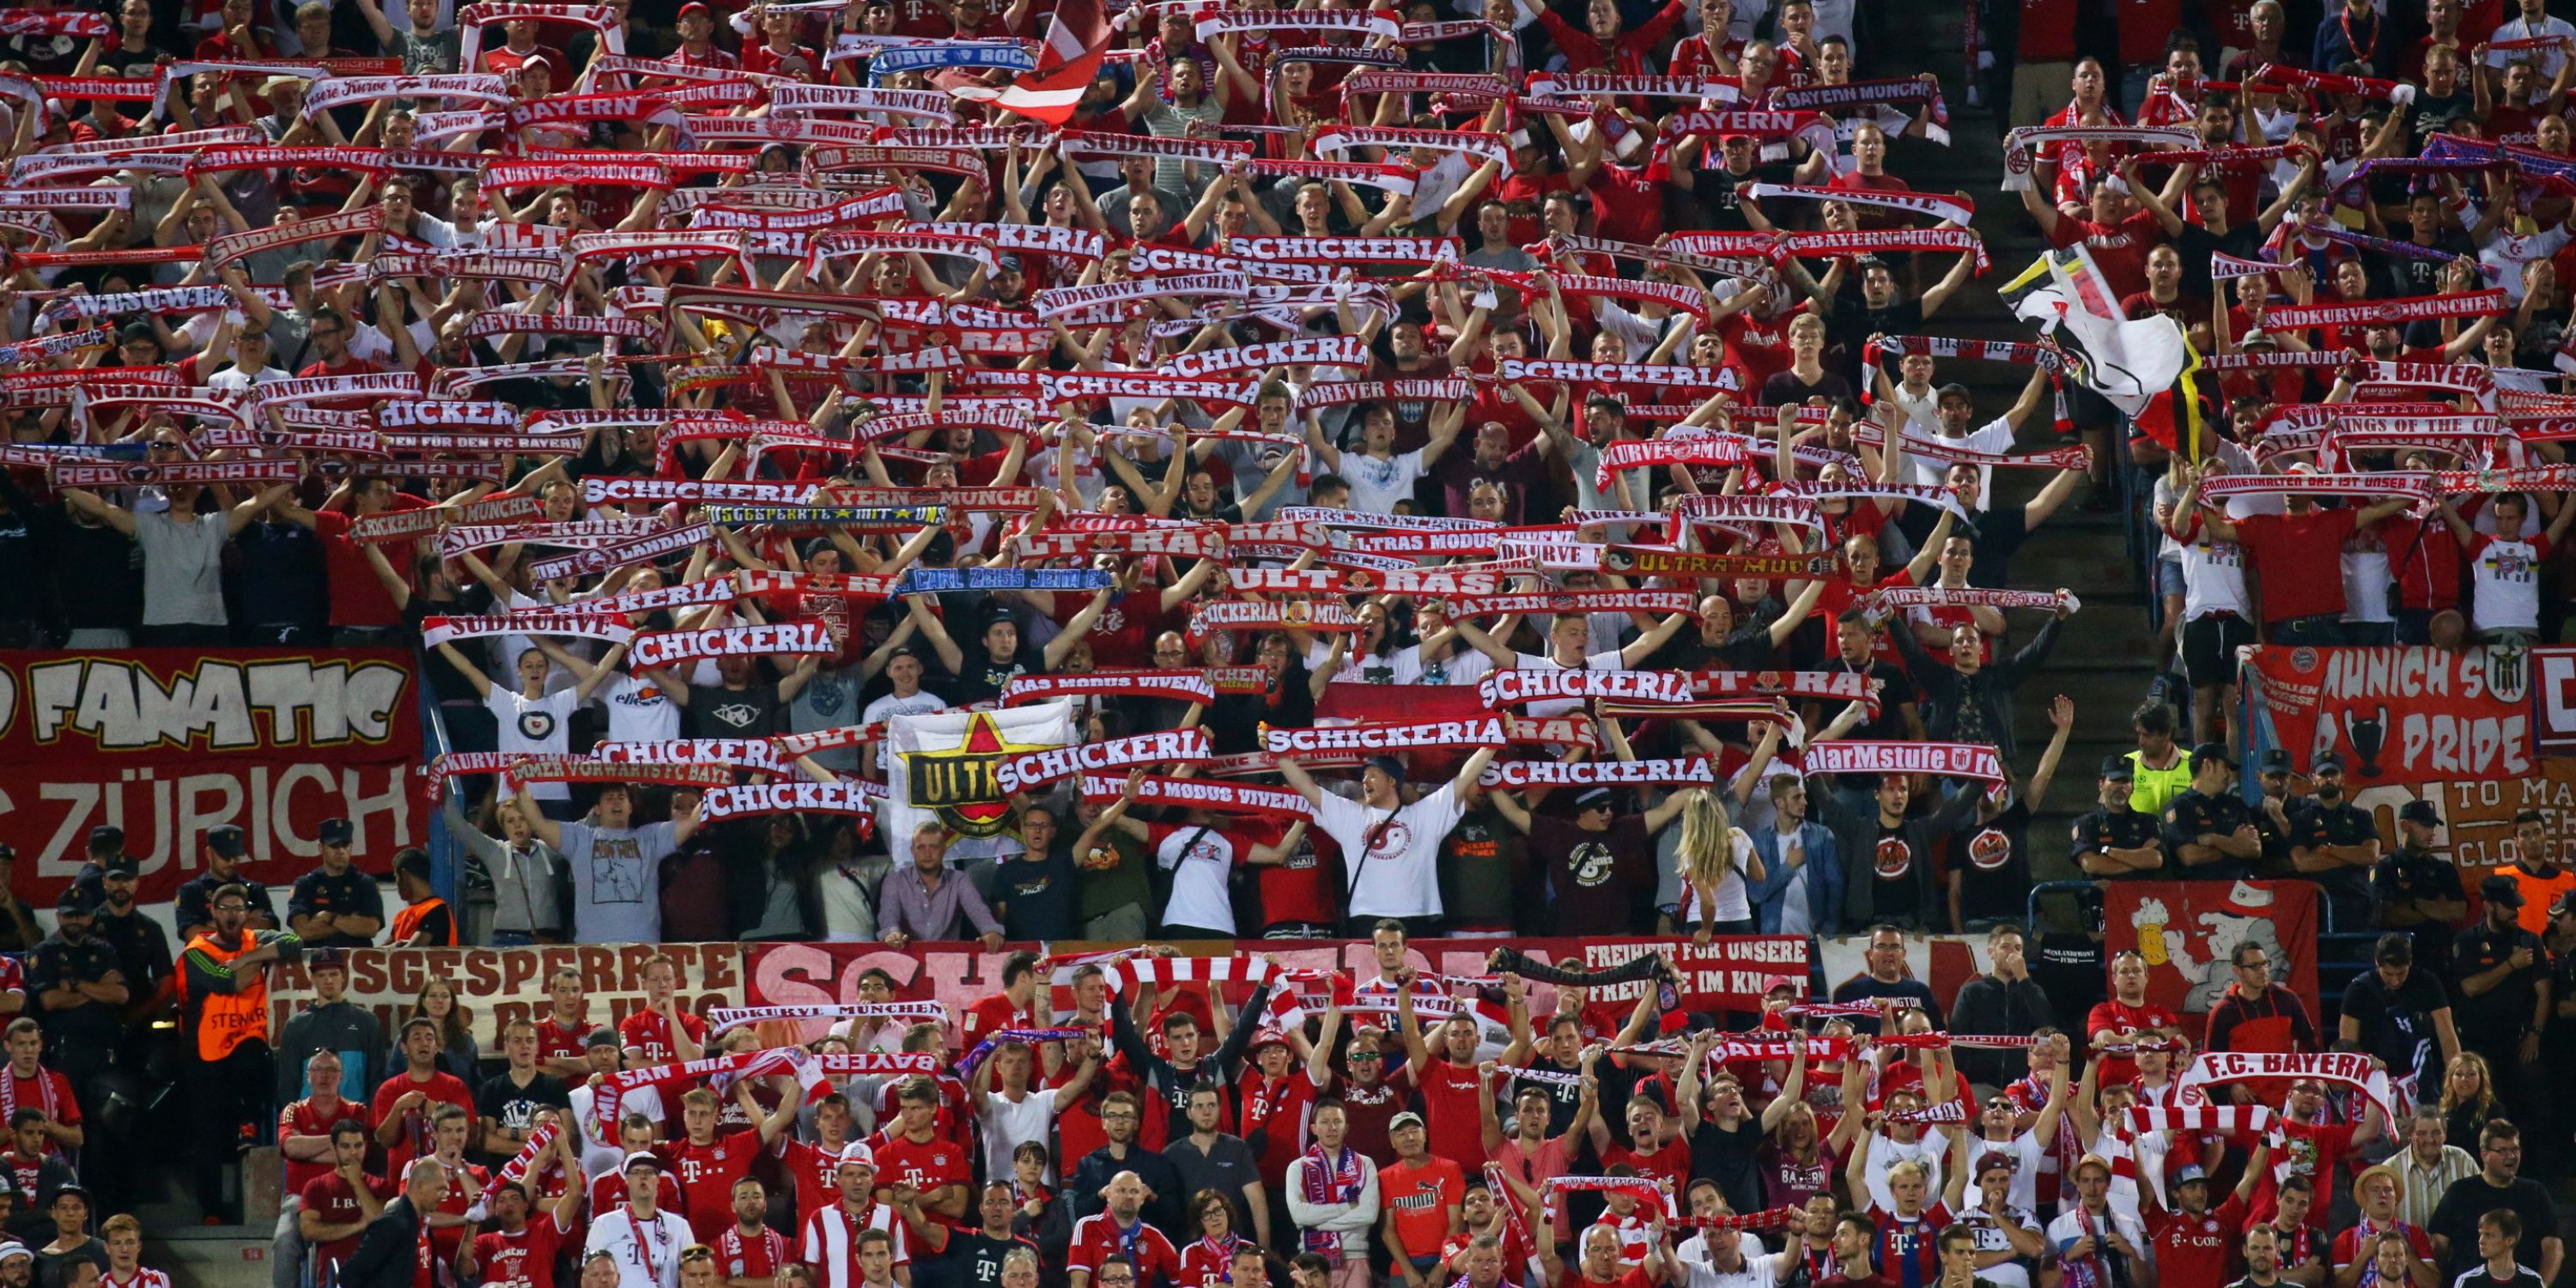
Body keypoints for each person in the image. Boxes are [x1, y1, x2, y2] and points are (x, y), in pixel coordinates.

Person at [174, 882, 298, 1221]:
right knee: (208, 1132)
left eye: (239, 908)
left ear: (247, 913)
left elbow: (292, 942)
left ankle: (248, 1123)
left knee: (254, 1060)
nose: (232, 914)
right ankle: (211, 1209)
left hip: (246, 1037)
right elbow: (227, 981)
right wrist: (255, 962)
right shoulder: (195, 951)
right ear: (212, 913)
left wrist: (250, 957)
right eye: (225, 908)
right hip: (204, 1051)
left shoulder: (253, 941)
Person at [2428, 1121, 2560, 1285]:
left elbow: (2553, 1248)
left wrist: (2541, 1285)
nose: (2511, 1156)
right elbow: (2439, 1246)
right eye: (2502, 1150)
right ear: (2484, 1154)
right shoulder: (2460, 1191)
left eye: (2515, 1149)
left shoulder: (2534, 1192)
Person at [589, 1153, 694, 1288]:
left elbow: (693, 1274)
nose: (643, 1177)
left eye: (649, 1172)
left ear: (658, 1180)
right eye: (636, 1172)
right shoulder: (604, 1224)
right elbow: (590, 1275)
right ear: (626, 1180)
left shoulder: (679, 1226)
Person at [337, 1159, 443, 1288]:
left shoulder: (422, 1227)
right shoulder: (393, 1224)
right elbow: (349, 1273)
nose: (443, 1196)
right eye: (439, 1189)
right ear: (420, 1186)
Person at [286, 818, 385, 949]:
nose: (341, 851)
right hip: (317, 964)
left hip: (355, 964)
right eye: (334, 845)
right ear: (321, 848)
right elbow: (304, 931)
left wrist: (329, 917)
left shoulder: (365, 884)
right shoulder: (305, 885)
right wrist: (351, 923)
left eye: (345, 845)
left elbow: (371, 928)